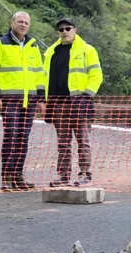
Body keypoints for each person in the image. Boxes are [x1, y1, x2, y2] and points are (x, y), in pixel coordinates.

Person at [0, 11, 46, 191]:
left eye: (26, 22)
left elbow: (39, 73)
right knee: (10, 136)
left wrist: (41, 98)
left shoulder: (33, 46)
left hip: (30, 100)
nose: (23, 25)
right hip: (9, 99)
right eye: (20, 21)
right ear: (12, 22)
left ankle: (18, 176)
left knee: (22, 138)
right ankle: (6, 176)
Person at [43, 17, 102, 187]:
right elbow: (45, 78)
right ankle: (63, 175)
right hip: (58, 103)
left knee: (82, 139)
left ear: (75, 30)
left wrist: (86, 97)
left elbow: (96, 76)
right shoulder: (51, 53)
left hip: (79, 102)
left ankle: (85, 173)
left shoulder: (87, 50)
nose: (64, 32)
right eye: (61, 29)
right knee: (63, 142)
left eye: (68, 28)